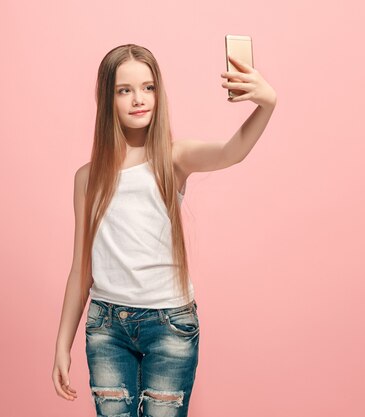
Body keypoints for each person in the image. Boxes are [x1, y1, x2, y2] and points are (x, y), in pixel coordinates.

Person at [52, 43, 277, 416]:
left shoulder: (173, 157)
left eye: (148, 87)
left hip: (169, 325)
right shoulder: (87, 178)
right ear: (107, 98)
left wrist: (266, 104)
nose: (139, 99)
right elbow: (80, 268)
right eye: (125, 90)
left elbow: (232, 152)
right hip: (106, 327)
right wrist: (63, 342)